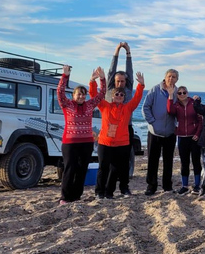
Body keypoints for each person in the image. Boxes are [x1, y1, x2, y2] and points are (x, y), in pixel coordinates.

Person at [56, 65, 106, 205]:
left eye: (84, 94)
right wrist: (64, 76)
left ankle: (76, 196)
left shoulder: (89, 105)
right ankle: (65, 197)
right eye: (79, 94)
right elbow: (59, 92)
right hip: (70, 143)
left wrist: (102, 78)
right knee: (69, 169)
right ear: (73, 95)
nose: (82, 96)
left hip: (86, 143)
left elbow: (102, 94)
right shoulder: (67, 105)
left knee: (82, 169)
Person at [92, 70, 145, 199]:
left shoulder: (127, 108)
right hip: (105, 142)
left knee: (116, 169)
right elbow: (94, 95)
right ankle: (100, 192)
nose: (119, 96)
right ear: (112, 96)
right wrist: (93, 81)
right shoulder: (104, 106)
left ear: (124, 97)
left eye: (121, 94)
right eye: (117, 94)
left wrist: (141, 85)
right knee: (103, 168)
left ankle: (109, 192)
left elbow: (137, 98)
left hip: (121, 144)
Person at [142, 69, 179, 195]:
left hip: (170, 132)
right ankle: (151, 186)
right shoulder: (155, 90)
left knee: (168, 161)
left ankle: (167, 186)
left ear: (176, 79)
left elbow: (183, 107)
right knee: (153, 160)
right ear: (165, 77)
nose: (171, 79)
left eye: (174, 77)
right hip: (154, 132)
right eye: (169, 76)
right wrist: (152, 122)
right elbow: (145, 107)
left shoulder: (178, 92)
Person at [106, 42, 139, 180]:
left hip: (126, 126)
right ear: (114, 81)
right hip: (112, 127)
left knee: (126, 154)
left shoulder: (128, 90)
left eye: (122, 81)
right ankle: (111, 176)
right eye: (118, 81)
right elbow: (111, 70)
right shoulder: (110, 90)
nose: (120, 83)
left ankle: (126, 176)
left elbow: (129, 71)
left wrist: (128, 53)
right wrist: (116, 50)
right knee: (111, 154)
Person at [166, 85, 203, 194]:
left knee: (196, 161)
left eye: (184, 92)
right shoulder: (176, 105)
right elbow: (169, 111)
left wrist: (197, 134)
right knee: (184, 162)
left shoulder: (194, 103)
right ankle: (185, 185)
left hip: (194, 137)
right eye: (179, 93)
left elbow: (200, 121)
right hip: (182, 138)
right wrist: (170, 95)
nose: (182, 95)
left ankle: (197, 185)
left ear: (187, 93)